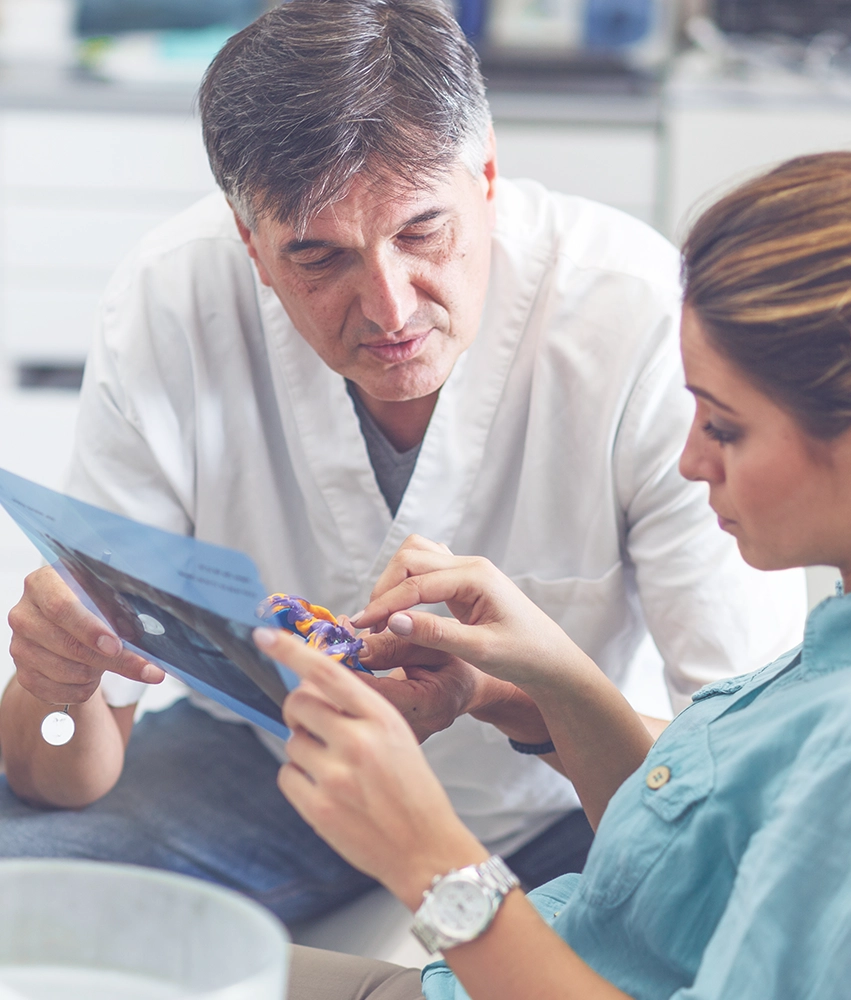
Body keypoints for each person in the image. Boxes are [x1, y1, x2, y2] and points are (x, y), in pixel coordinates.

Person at [0, 0, 804, 923]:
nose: (389, 309)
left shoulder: (638, 323)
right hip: (266, 766)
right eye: (316, 254)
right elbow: (64, 771)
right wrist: (49, 686)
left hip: (560, 798)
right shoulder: (170, 301)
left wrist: (498, 693)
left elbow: (749, 771)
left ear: (490, 175)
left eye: (424, 233)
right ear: (251, 246)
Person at [263, 151, 851, 1000]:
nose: (692, 462)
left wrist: (430, 860)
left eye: (725, 429)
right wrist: (523, 684)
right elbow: (696, 872)